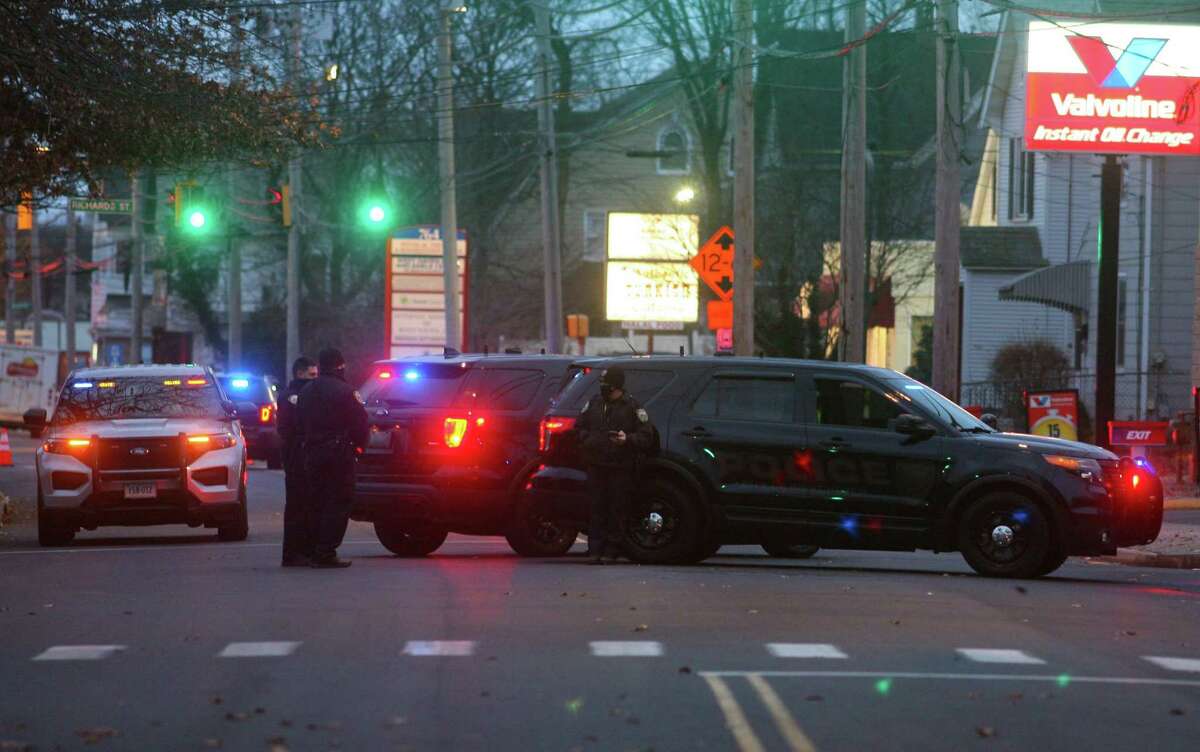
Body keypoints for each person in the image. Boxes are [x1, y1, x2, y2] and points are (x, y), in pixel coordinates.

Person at [296, 348, 369, 568]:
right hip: (339, 454)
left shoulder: (306, 391)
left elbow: (298, 423)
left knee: (316, 501)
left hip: (312, 453)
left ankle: (312, 549)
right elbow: (360, 424)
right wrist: (358, 448)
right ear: (340, 365)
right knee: (338, 502)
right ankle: (326, 551)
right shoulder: (346, 391)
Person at [576, 366, 655, 564]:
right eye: (602, 385)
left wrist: (627, 439)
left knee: (617, 509)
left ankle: (611, 551)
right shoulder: (594, 403)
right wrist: (588, 439)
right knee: (596, 509)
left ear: (617, 386)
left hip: (621, 466)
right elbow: (579, 427)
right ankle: (594, 551)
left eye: (608, 386)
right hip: (596, 464)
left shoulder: (632, 406)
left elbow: (646, 436)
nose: (604, 389)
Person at [276, 356, 318, 567]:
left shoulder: (299, 394)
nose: (315, 379)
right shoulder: (292, 396)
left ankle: (304, 550)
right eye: (312, 375)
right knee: (298, 505)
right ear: (300, 373)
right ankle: (294, 553)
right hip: (297, 456)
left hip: (301, 455)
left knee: (306, 504)